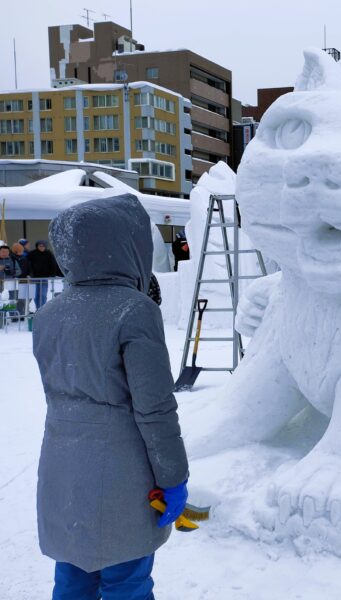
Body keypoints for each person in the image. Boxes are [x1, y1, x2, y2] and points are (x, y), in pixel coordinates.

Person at [32, 194, 189, 599]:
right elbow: (154, 407)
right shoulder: (133, 310)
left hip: (61, 469)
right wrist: (173, 477)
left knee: (72, 579)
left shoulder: (49, 314)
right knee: (127, 582)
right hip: (122, 473)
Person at [27, 240, 60, 309]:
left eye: (43, 246)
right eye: (40, 246)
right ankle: (38, 308)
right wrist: (29, 273)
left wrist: (52, 274)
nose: (41, 247)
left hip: (44, 277)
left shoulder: (49, 254)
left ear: (45, 246)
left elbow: (53, 264)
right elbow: (28, 265)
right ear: (37, 246)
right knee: (35, 295)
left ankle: (42, 309)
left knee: (43, 294)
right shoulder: (32, 254)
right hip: (34, 278)